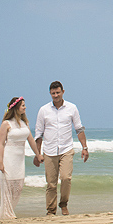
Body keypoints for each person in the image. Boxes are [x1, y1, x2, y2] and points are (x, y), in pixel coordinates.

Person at [33, 81, 89, 215]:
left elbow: (79, 129)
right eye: (53, 93)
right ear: (50, 94)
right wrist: (37, 154)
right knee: (51, 184)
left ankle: (63, 204)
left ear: (63, 91)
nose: (56, 95)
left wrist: (84, 147)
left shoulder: (72, 108)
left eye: (58, 92)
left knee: (66, 178)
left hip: (66, 149)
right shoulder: (43, 110)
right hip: (49, 151)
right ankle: (51, 211)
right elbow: (39, 133)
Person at [0, 97, 42, 220]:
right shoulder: (6, 124)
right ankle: (8, 215)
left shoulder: (24, 123)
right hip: (8, 158)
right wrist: (0, 162)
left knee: (18, 187)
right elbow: (1, 144)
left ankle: (2, 214)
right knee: (8, 188)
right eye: (23, 105)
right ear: (16, 107)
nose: (25, 107)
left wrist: (38, 154)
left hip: (19, 160)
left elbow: (31, 140)